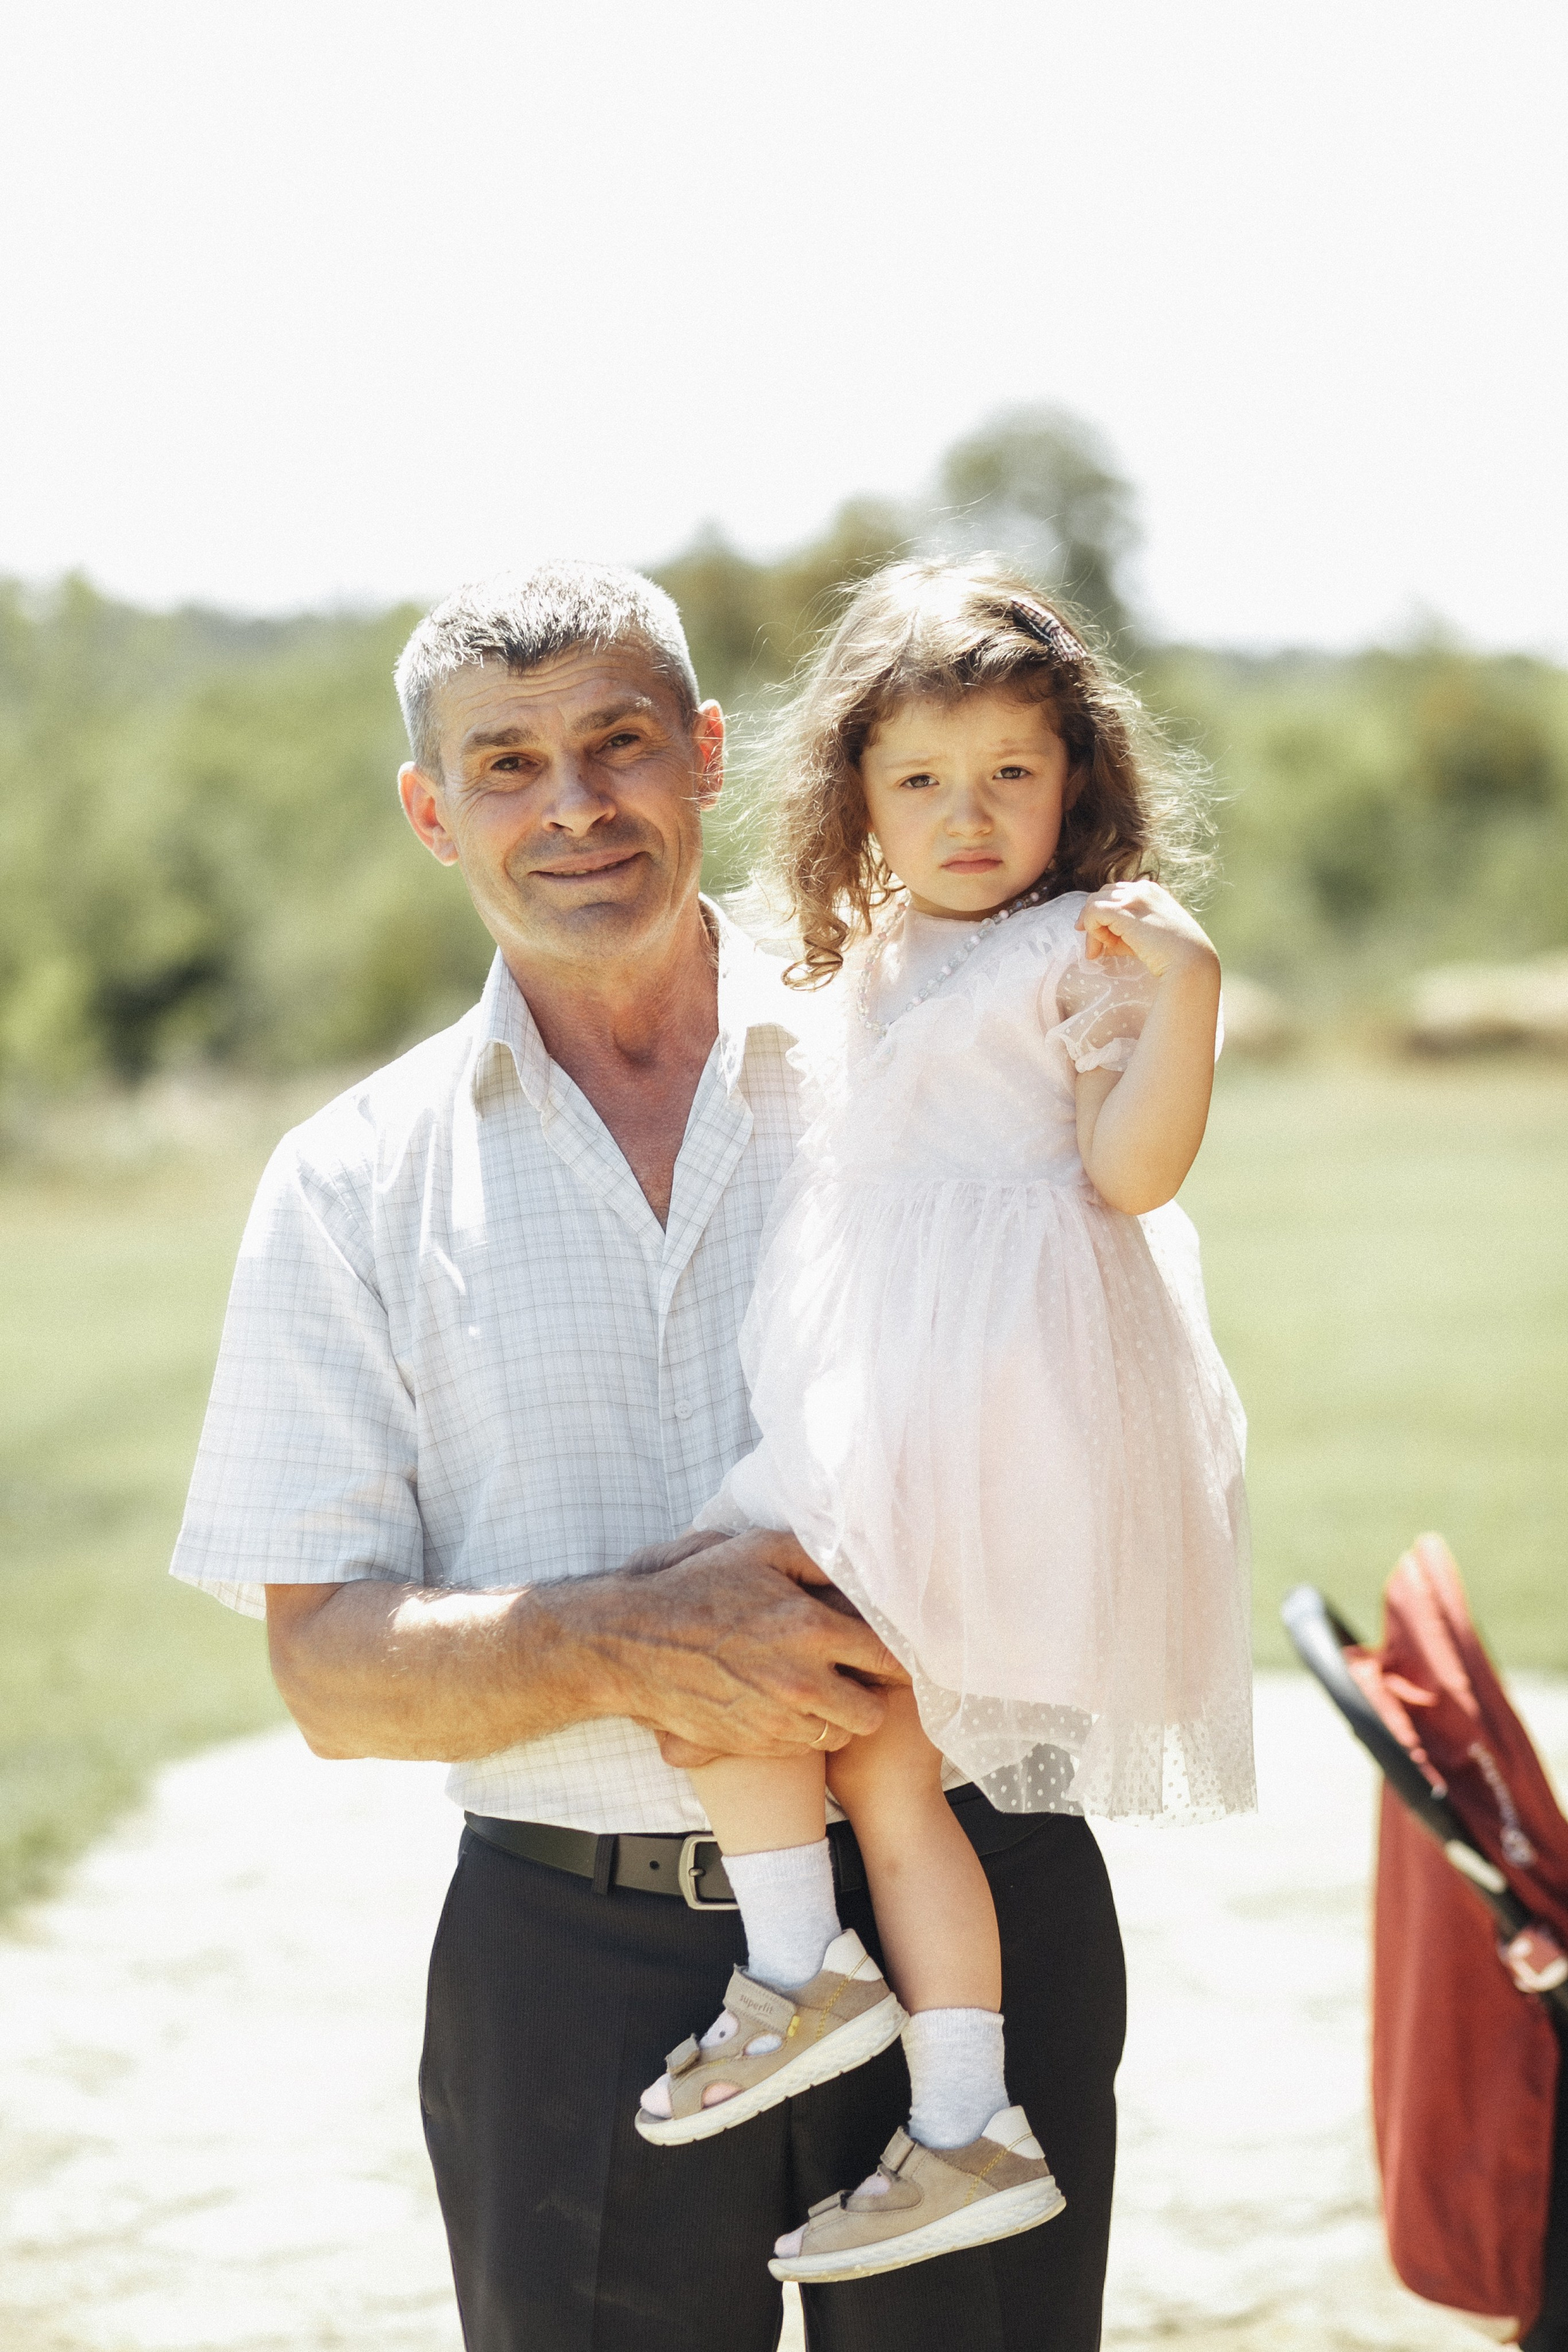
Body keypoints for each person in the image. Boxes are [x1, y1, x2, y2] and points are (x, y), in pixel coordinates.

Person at [170, 561, 1128, 2352]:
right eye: (507, 764)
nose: (575, 807)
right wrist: (640, 1636)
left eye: (618, 745)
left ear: (703, 755)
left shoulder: (932, 1039)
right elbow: (324, 1674)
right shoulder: (347, 1183)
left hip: (982, 1909)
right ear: (429, 811)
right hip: (576, 1967)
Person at [633, 560, 1256, 2285]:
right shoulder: (871, 954)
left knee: (711, 1638)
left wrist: (1189, 1001)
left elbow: (1130, 1174)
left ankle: (796, 1968)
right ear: (859, 803)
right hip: (883, 1386)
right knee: (888, 1762)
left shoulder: (1091, 944)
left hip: (988, 1405)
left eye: (1010, 773)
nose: (966, 813)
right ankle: (972, 2121)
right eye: (918, 781)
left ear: (1079, 782)